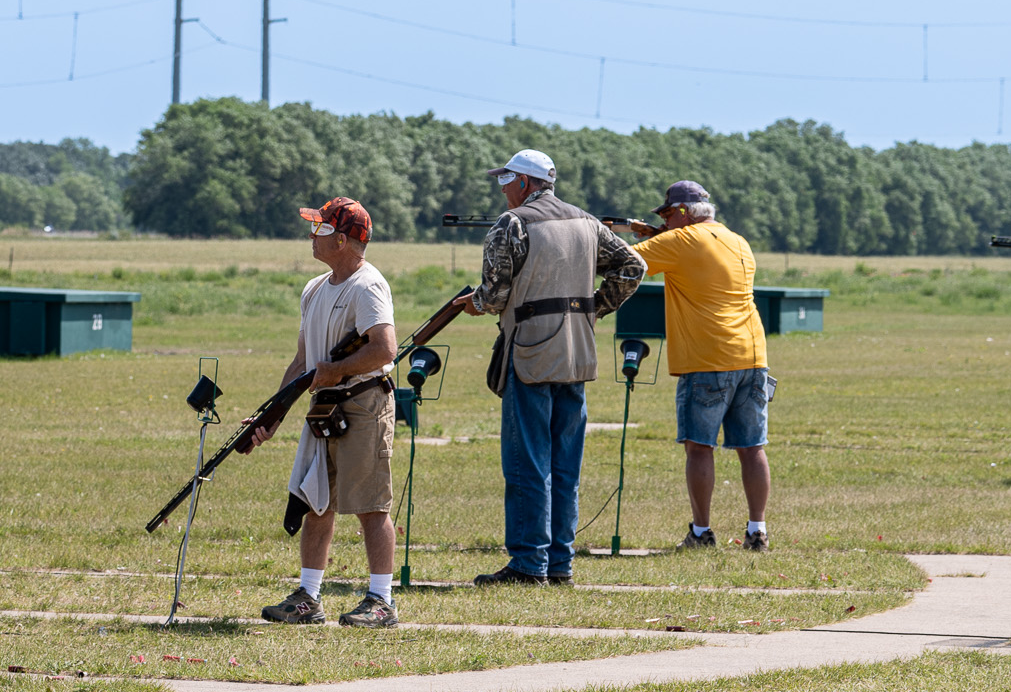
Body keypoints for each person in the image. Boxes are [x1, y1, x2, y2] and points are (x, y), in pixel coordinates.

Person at [450, 148, 644, 585]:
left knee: (527, 463)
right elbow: (634, 266)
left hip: (532, 353)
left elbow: (495, 295)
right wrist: (594, 310)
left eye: (505, 181)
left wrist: (476, 304)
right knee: (564, 466)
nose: (502, 191)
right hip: (577, 353)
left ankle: (527, 564)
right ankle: (559, 564)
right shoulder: (588, 221)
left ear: (524, 183)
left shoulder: (513, 224)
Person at [252, 197, 403, 628]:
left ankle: (381, 600)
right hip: (325, 409)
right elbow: (302, 362)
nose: (311, 236)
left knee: (371, 506)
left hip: (364, 403)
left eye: (319, 229)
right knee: (316, 501)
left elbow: (384, 349)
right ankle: (309, 597)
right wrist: (271, 415)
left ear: (342, 239)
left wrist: (335, 370)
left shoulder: (368, 285)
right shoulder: (315, 288)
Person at [623, 181, 775, 550]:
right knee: (752, 447)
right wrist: (658, 234)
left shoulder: (679, 241)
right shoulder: (738, 240)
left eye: (666, 215)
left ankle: (701, 532)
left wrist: (647, 237)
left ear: (680, 213)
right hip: (752, 356)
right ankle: (757, 530)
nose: (664, 222)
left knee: (698, 447)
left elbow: (621, 263)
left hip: (707, 359)